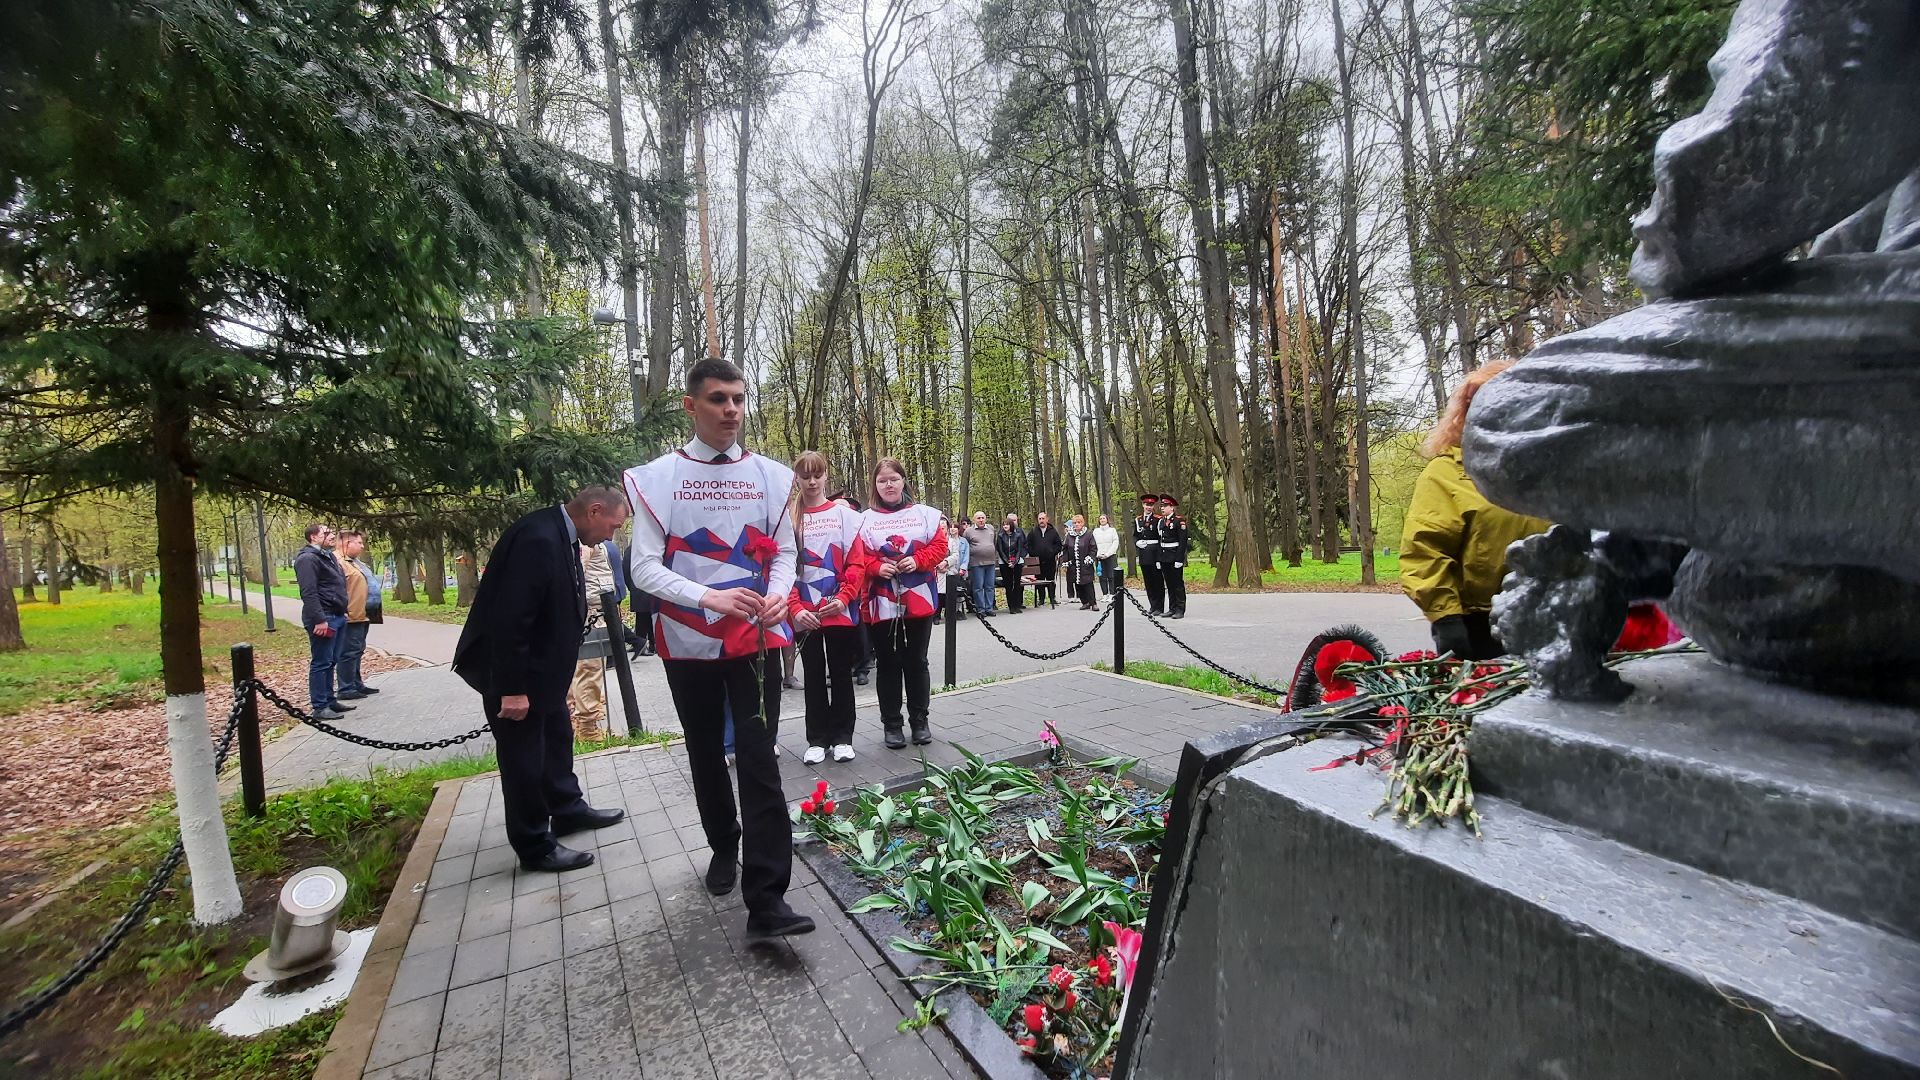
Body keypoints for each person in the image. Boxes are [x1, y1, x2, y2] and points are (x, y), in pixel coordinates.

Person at [624, 358, 813, 937]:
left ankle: (767, 899)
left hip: (756, 638)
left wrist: (780, 594)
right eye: (717, 399)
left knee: (759, 758)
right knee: (706, 751)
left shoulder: (774, 477)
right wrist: (710, 597)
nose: (731, 409)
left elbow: (783, 553)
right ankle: (723, 847)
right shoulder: (656, 478)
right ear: (691, 405)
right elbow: (644, 570)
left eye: (738, 397)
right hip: (687, 642)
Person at [451, 486, 632, 873]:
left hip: (542, 674)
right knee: (524, 761)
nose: (610, 536)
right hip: (517, 677)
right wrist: (512, 689)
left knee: (556, 740)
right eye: (612, 526)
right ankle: (535, 845)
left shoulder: (559, 532)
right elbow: (512, 619)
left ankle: (566, 809)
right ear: (594, 510)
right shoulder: (538, 538)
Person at [1401, 359, 1552, 660]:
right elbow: (1424, 550)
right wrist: (1446, 619)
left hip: (1553, 614)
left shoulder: (1550, 471)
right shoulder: (1446, 474)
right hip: (1479, 625)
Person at [857, 458, 949, 748]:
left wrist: (918, 560)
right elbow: (857, 555)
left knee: (917, 661)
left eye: (894, 479)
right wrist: (875, 568)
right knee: (888, 663)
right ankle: (892, 725)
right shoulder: (864, 520)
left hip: (918, 597)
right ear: (875, 485)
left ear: (903, 481)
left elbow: (939, 546)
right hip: (882, 603)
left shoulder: (925, 515)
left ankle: (920, 722)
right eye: (882, 480)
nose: (889, 485)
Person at [790, 451, 870, 765]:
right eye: (805, 476)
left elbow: (856, 562)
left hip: (839, 609)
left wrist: (845, 597)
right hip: (804, 614)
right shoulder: (788, 520)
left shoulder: (845, 517)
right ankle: (817, 739)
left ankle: (842, 738)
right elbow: (782, 570)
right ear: (797, 478)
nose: (811, 482)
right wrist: (795, 608)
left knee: (839, 672)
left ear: (825, 476)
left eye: (817, 475)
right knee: (812, 674)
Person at [294, 523, 354, 720]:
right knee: (321, 662)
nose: (331, 536)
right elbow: (309, 592)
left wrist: (343, 611)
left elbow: (336, 585)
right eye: (326, 533)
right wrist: (319, 619)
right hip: (323, 618)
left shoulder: (327, 556)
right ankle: (320, 706)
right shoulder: (308, 559)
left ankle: (330, 700)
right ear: (313, 537)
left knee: (332, 660)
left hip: (336, 615)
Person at [565, 538, 622, 741]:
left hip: (593, 611)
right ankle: (587, 729)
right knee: (589, 670)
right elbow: (576, 573)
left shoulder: (587, 542)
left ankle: (575, 722)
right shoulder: (585, 543)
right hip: (590, 613)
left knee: (582, 670)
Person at [334, 530, 382, 701]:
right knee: (348, 652)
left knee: (357, 650)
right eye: (359, 543)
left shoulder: (355, 563)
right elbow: (336, 589)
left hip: (363, 614)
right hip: (350, 615)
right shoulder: (338, 562)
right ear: (346, 543)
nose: (362, 546)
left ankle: (356, 683)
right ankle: (345, 687)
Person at [1156, 494, 1191, 619]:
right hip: (1164, 557)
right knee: (1169, 584)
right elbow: (1160, 541)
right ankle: (1172, 608)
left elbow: (1182, 542)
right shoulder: (1161, 521)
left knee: (1177, 584)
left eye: (1165, 506)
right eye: (1162, 506)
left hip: (1174, 556)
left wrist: (1179, 559)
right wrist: (1159, 559)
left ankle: (1180, 609)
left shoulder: (1179, 521)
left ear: (1172, 507)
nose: (1162, 508)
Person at [962, 511, 999, 616]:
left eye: (983, 518)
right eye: (978, 518)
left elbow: (994, 542)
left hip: (991, 562)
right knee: (978, 587)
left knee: (990, 586)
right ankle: (981, 609)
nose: (981, 520)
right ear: (974, 520)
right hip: (976, 563)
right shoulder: (968, 531)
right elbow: (965, 545)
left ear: (986, 519)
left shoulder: (991, 529)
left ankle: (989, 608)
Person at [1133, 496, 1164, 614]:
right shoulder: (1138, 520)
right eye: (1147, 505)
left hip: (1155, 552)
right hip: (1144, 554)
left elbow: (1161, 538)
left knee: (1157, 581)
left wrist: (1159, 558)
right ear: (1143, 505)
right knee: (1148, 582)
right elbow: (1135, 535)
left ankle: (1159, 607)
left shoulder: (1158, 519)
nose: (1149, 507)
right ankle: (1152, 606)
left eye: (1151, 505)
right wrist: (1137, 543)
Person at [1027, 512, 1063, 608]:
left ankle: (1052, 598)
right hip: (1037, 561)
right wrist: (1033, 553)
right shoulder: (1033, 531)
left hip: (1050, 561)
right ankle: (1041, 599)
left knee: (1051, 580)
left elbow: (1059, 545)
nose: (1041, 521)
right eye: (1040, 519)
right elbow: (1028, 544)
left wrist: (1052, 552)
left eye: (1043, 518)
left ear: (1047, 519)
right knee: (1039, 581)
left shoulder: (1053, 531)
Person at [1063, 514, 1099, 610]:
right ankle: (1085, 602)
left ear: (1082, 523)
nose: (1077, 524)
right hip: (1073, 564)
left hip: (1085, 563)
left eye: (1079, 522)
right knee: (1077, 584)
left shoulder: (1088, 534)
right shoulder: (1069, 535)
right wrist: (1066, 561)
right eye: (1075, 523)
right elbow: (1065, 549)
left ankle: (1093, 603)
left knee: (1088, 583)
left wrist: (1090, 558)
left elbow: (1093, 548)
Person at [997, 513, 1029, 613]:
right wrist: (1007, 562)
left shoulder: (1018, 535)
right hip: (1005, 563)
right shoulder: (1000, 536)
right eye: (1004, 525)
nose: (1005, 526)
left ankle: (1017, 605)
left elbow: (1020, 549)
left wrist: (1015, 561)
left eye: (1007, 524)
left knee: (1016, 584)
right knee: (1008, 584)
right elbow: (1000, 550)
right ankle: (1011, 606)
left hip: (1017, 562)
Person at [1092, 512, 1120, 596]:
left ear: (1107, 520)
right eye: (1100, 519)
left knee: (1111, 576)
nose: (1102, 520)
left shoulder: (1112, 530)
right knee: (1102, 576)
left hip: (1110, 556)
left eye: (1103, 518)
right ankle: (1105, 594)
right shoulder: (1096, 531)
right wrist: (1097, 554)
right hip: (1099, 557)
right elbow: (1093, 543)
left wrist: (1108, 554)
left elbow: (1115, 542)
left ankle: (1112, 594)